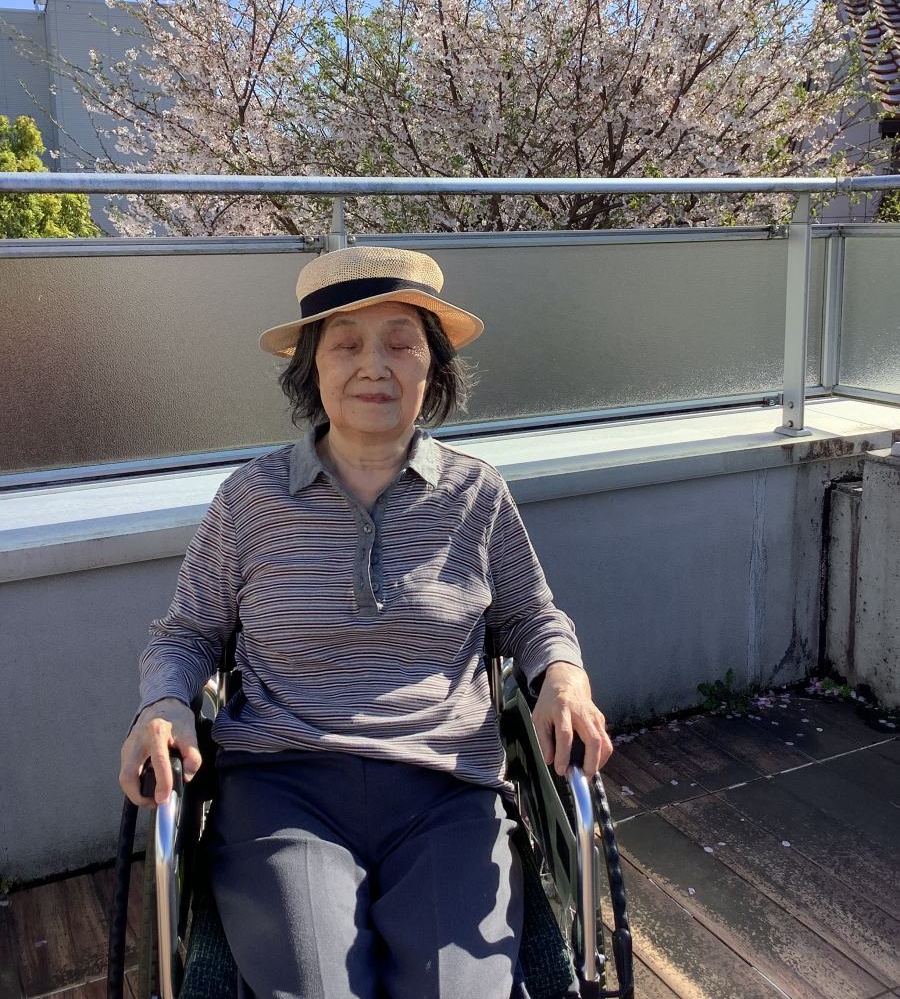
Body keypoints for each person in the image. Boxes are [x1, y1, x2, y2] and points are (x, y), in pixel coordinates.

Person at [119, 245, 613, 999]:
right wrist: (162, 705)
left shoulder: (475, 494)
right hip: (286, 787)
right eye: (346, 344)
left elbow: (531, 615)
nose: (374, 366)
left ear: (432, 368)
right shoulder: (250, 499)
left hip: (445, 786)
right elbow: (189, 633)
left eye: (400, 343)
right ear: (312, 369)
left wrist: (565, 675)